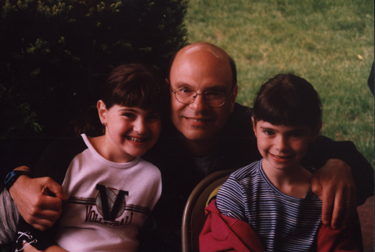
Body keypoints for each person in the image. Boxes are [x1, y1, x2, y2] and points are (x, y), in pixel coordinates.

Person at [4, 43, 374, 251]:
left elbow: (353, 164)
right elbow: (40, 140)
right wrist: (15, 180)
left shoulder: (257, 134)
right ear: (168, 89)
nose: (198, 107)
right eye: (184, 91)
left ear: (233, 98)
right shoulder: (143, 130)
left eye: (213, 93)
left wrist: (339, 163)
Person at [11, 64, 165, 252]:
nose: (141, 128)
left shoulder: (156, 174)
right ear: (103, 113)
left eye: (152, 117)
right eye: (129, 115)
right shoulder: (64, 154)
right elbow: (29, 239)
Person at [199, 73, 360, 252]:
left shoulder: (327, 196)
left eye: (295, 133)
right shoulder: (237, 193)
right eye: (269, 132)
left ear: (315, 131)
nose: (281, 146)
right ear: (254, 126)